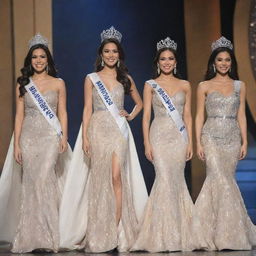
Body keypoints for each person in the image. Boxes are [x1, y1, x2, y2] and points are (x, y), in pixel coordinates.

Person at [59, 26, 148, 253]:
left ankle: (115, 230)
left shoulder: (125, 78)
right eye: (107, 51)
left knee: (116, 176)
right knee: (100, 180)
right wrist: (86, 137)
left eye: (114, 51)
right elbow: (87, 108)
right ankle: (99, 230)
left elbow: (140, 103)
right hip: (98, 129)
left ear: (119, 55)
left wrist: (130, 115)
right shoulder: (91, 78)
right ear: (101, 54)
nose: (111, 55)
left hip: (118, 131)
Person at [0, 34, 71, 253]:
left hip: (50, 136)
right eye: (34, 57)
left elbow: (63, 112)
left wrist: (64, 136)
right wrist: (18, 144)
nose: (38, 60)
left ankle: (49, 236)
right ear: (30, 60)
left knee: (44, 180)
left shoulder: (58, 83)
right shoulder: (23, 83)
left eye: (42, 56)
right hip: (29, 137)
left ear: (47, 59)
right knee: (31, 183)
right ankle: (31, 237)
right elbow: (19, 116)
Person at [131, 37, 200, 252]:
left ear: (176, 62)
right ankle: (160, 234)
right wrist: (146, 143)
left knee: (177, 180)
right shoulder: (150, 85)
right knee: (163, 178)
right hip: (158, 136)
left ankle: (180, 233)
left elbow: (187, 116)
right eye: (163, 59)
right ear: (158, 62)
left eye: (170, 58)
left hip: (178, 138)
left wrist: (190, 141)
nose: (167, 62)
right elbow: (146, 117)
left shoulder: (185, 85)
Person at [195, 36, 256, 250]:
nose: (223, 63)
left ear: (232, 63)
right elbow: (199, 117)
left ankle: (227, 232)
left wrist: (244, 140)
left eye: (227, 60)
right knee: (218, 178)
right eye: (220, 60)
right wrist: (198, 143)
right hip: (210, 135)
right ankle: (214, 233)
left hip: (232, 137)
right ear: (214, 62)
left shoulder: (240, 85)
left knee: (226, 180)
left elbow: (241, 115)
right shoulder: (204, 85)